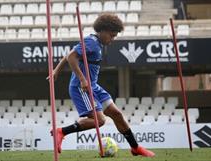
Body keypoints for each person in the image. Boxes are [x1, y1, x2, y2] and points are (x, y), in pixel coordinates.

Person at [49, 13, 155, 157]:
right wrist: (82, 79)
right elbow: (71, 57)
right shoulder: (92, 42)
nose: (112, 39)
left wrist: (56, 70)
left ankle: (135, 148)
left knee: (117, 114)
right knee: (100, 121)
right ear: (103, 30)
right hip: (81, 88)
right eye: (111, 35)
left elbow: (70, 54)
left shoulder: (95, 42)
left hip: (93, 86)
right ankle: (61, 131)